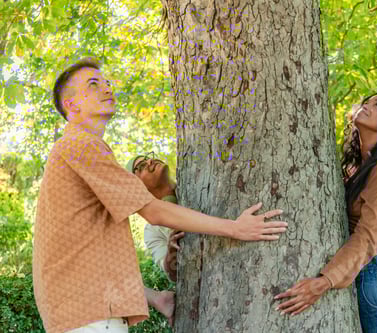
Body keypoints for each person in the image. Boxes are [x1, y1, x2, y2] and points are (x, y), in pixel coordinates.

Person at [32, 58, 288, 333]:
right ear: (72, 106)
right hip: (87, 313)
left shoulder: (79, 150)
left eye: (106, 82)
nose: (106, 88)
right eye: (93, 84)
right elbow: (153, 212)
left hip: (83, 310)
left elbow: (89, 248)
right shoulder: (79, 144)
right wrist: (235, 229)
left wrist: (156, 298)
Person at [274, 90, 377, 332]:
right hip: (364, 276)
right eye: (368, 102)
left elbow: (367, 235)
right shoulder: (357, 167)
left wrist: (324, 282)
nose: (368, 106)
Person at [124, 152, 184, 326]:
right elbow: (173, 274)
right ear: (137, 187)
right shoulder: (152, 231)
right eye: (141, 167)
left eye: (148, 156)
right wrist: (172, 253)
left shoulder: (199, 183)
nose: (150, 161)